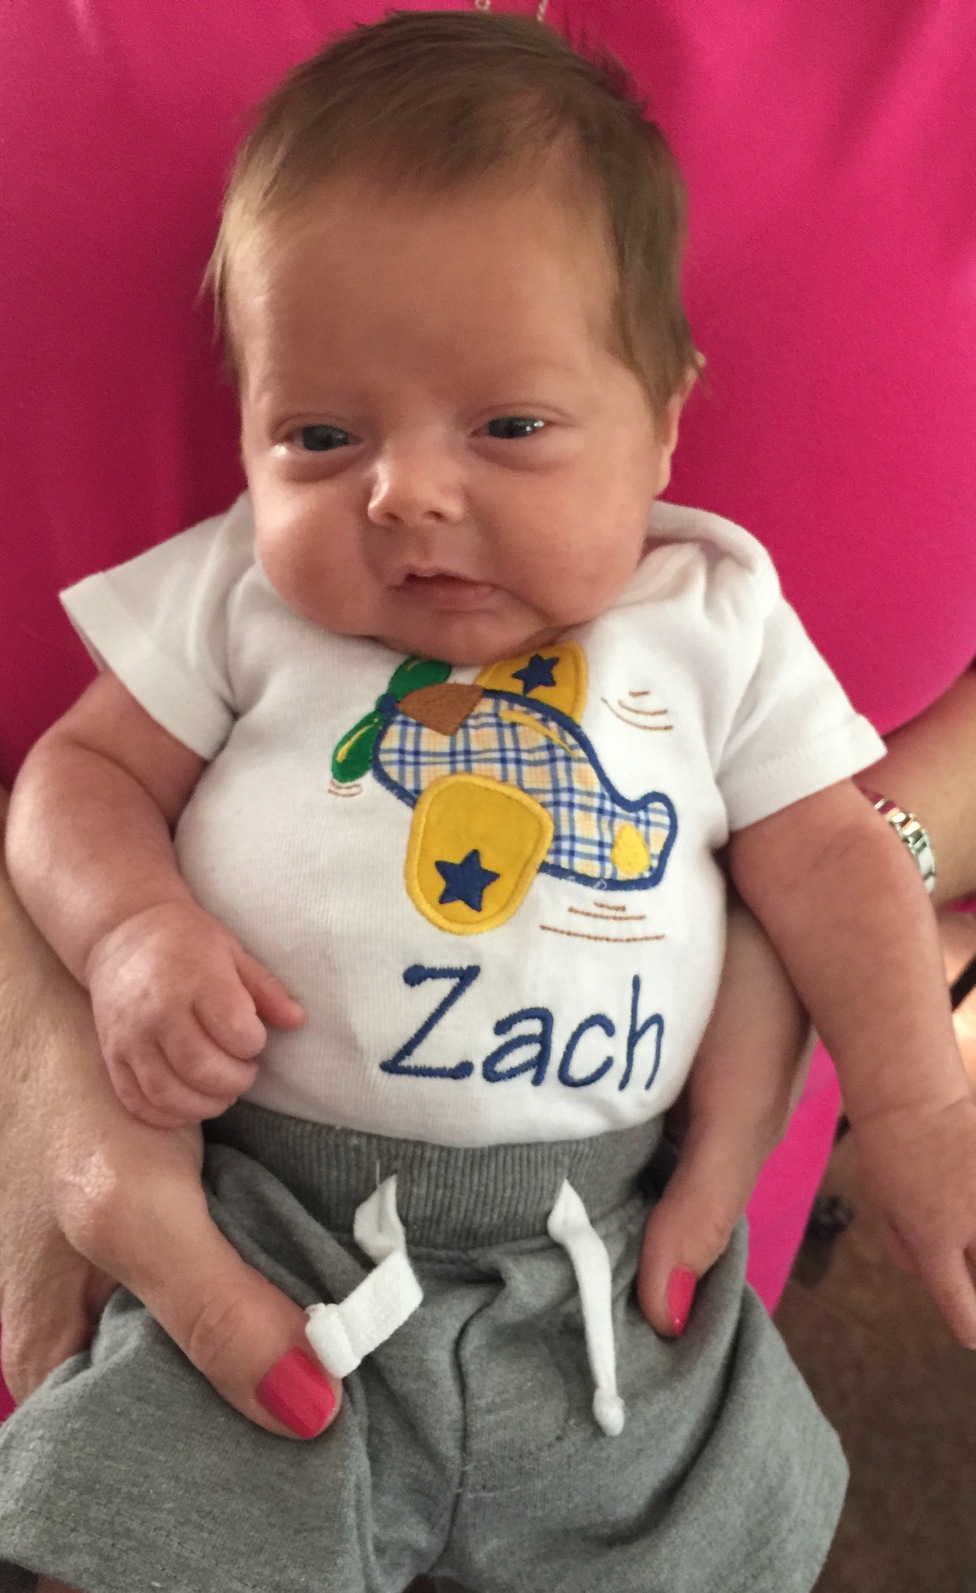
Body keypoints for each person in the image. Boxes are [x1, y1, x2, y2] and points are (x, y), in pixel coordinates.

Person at [1, 0, 975, 1574]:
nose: (406, 491)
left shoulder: (713, 614)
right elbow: (79, 774)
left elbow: (837, 857)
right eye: (321, 435)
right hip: (268, 1216)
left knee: (702, 1527)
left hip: (611, 1252)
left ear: (662, 425)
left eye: (511, 426)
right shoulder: (241, 593)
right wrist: (125, 931)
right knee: (147, 1530)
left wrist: (922, 1100)